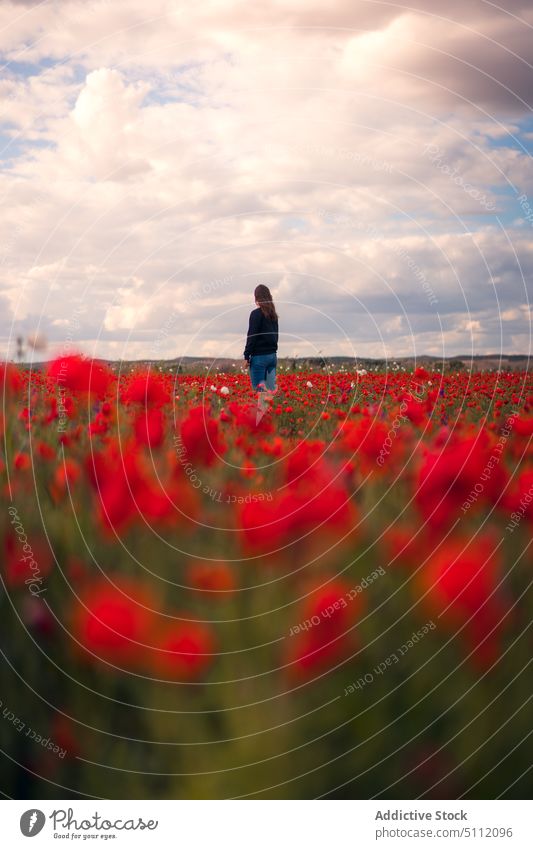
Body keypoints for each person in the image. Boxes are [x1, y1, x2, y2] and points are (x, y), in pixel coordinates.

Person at [243, 284, 278, 393]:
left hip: (259, 358)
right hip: (272, 357)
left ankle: (263, 410)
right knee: (270, 392)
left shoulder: (256, 314)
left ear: (257, 298)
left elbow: (252, 336)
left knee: (260, 393)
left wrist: (246, 356)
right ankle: (270, 410)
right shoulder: (273, 315)